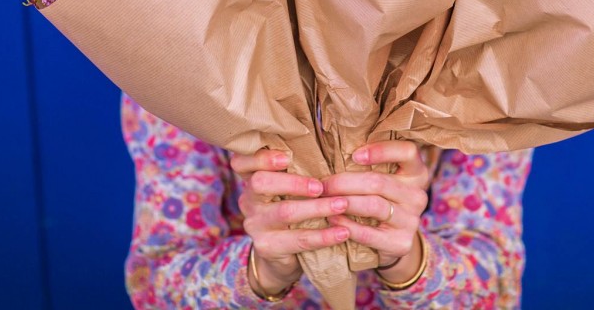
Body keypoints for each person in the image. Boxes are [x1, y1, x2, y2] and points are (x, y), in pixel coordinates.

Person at [121, 94, 534, 308]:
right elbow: (153, 286)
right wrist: (260, 272)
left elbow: (496, 289)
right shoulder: (184, 66)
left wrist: (406, 257)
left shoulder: (485, 70)